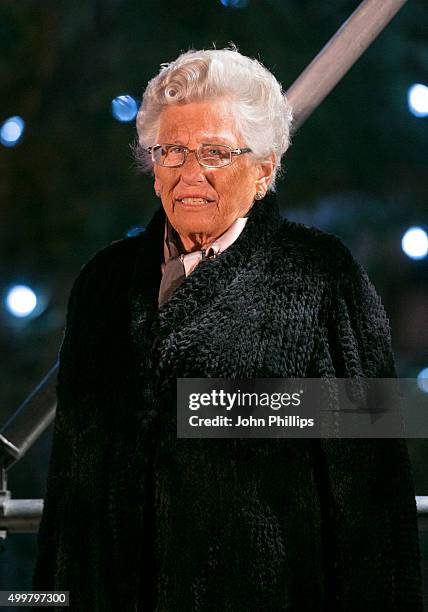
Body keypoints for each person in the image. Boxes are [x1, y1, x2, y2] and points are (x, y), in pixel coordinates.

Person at [33, 46, 423, 611]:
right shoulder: (102, 283)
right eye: (171, 151)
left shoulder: (323, 276)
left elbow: (374, 498)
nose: (190, 174)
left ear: (263, 169)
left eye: (215, 153)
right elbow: (69, 488)